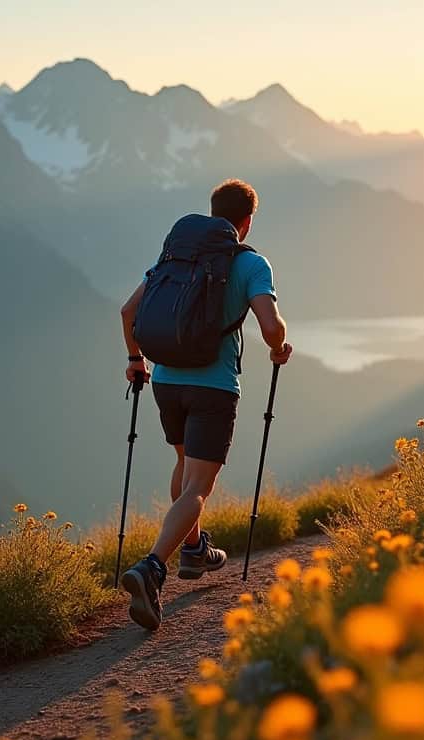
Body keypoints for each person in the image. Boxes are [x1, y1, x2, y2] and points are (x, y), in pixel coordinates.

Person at [117, 179, 293, 631]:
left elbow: (128, 312)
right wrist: (279, 346)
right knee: (198, 487)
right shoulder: (250, 262)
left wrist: (137, 360)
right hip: (213, 386)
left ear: (212, 212)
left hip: (166, 379)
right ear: (247, 221)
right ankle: (152, 567)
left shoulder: (178, 254)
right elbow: (270, 325)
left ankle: (193, 550)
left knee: (183, 464)